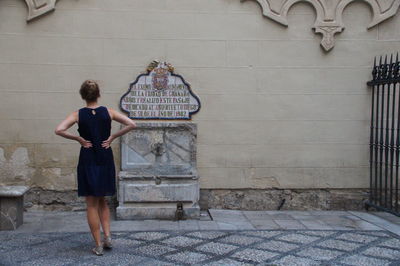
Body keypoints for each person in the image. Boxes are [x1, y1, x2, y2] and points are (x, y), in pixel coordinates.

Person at [54, 80, 136, 255]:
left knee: (91, 204)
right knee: (102, 200)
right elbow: (132, 124)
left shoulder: (77, 114)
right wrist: (113, 136)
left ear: (83, 95)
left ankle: (98, 244)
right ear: (98, 94)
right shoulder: (109, 112)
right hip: (105, 156)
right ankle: (107, 237)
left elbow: (59, 129)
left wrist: (79, 139)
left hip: (88, 157)